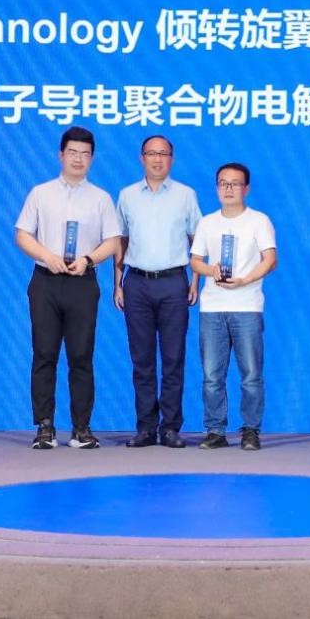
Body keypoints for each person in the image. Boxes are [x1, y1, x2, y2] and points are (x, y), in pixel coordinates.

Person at [14, 125, 122, 450]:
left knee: (81, 355)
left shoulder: (101, 198)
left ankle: (81, 428)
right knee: (44, 353)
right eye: (72, 152)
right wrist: (47, 256)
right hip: (45, 282)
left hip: (82, 283)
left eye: (85, 154)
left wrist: (88, 259)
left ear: (92, 158)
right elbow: (22, 234)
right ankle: (45, 426)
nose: (78, 159)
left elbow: (113, 241)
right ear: (60, 155)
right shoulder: (40, 193)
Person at [113, 135, 202, 448]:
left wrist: (195, 281)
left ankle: (171, 428)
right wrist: (117, 283)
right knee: (142, 359)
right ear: (141, 158)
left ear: (171, 159)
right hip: (136, 283)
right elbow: (120, 241)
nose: (157, 159)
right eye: (151, 153)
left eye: (163, 154)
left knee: (174, 358)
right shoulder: (126, 195)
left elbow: (198, 240)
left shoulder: (185, 195)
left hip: (173, 282)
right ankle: (146, 428)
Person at [190, 162, 277, 451]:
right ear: (217, 187)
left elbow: (270, 259)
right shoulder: (207, 223)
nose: (228, 189)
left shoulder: (259, 221)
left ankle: (250, 430)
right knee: (211, 376)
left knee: (251, 374)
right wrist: (210, 270)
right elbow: (195, 261)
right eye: (223, 183)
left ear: (246, 189)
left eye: (235, 184)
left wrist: (245, 280)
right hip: (212, 307)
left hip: (247, 306)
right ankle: (215, 430)